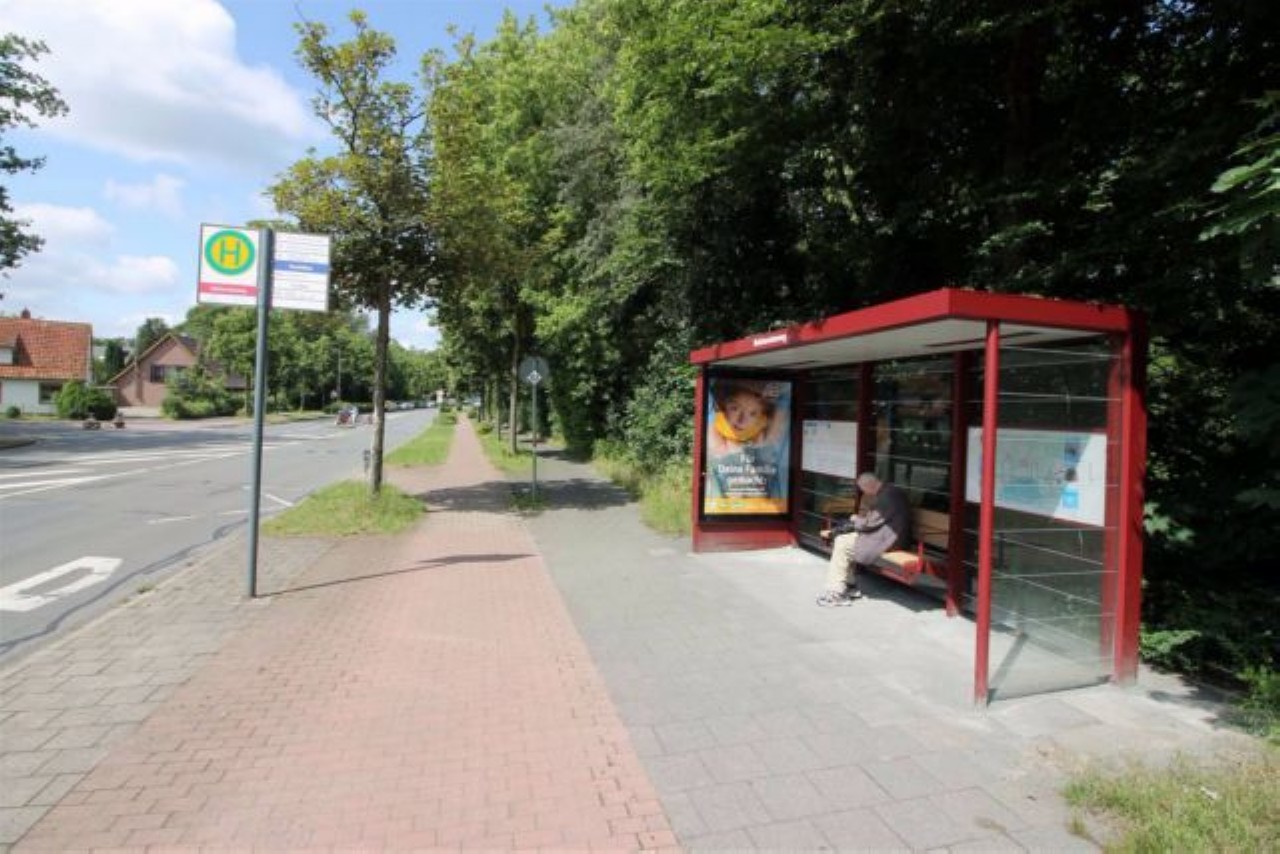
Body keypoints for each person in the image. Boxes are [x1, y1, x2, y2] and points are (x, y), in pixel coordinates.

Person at [816, 472, 911, 607]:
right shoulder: (891, 491)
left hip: (888, 540)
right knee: (844, 541)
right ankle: (849, 586)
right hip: (891, 536)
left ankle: (836, 593)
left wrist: (856, 519)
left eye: (863, 489)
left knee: (842, 543)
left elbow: (869, 523)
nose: (864, 493)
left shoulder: (887, 496)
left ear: (868, 485)